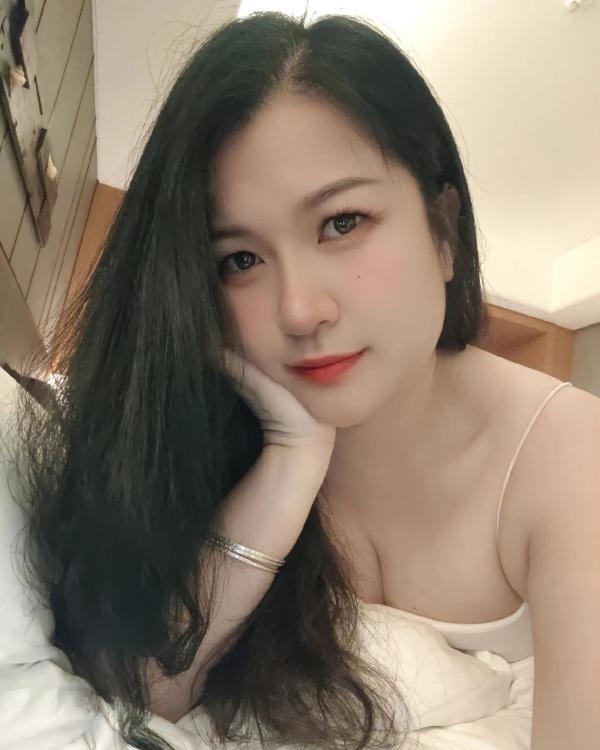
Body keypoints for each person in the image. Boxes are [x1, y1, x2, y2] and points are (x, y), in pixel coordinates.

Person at [1, 9, 599, 750]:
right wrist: (291, 460)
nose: (299, 309)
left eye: (342, 223)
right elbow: (142, 693)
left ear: (443, 232)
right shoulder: (210, 433)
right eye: (239, 260)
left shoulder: (571, 457)